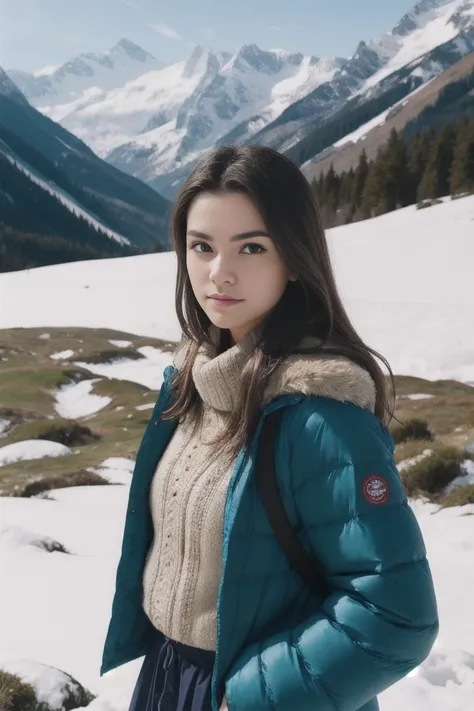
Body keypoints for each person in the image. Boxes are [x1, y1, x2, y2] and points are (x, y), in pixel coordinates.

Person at [100, 146, 439, 711]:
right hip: (169, 680)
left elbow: (397, 614)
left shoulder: (320, 413)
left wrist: (253, 697)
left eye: (251, 247)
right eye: (201, 246)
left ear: (295, 255)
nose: (219, 273)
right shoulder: (192, 385)